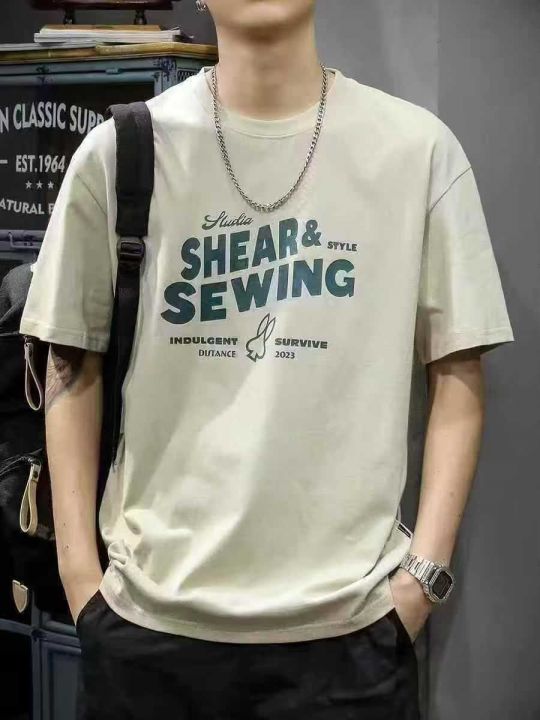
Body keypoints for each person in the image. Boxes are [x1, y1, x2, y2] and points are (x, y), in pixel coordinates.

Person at [19, 0, 515, 718]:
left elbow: (459, 369)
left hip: (350, 641)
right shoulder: (119, 152)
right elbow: (72, 360)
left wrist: (422, 582)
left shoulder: (418, 153)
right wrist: (80, 580)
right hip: (146, 635)